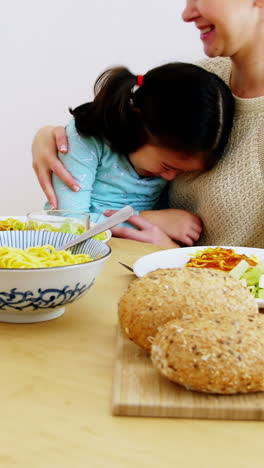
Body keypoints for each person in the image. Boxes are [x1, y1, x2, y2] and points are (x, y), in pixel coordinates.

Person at [32, 0, 264, 248]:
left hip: (201, 278)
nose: (186, 14)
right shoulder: (198, 84)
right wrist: (47, 137)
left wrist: (169, 250)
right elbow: (68, 218)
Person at [35, 62, 234, 247]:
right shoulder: (86, 139)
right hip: (69, 253)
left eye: (181, 173)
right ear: (137, 124)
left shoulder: (163, 158)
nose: (171, 178)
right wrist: (149, 220)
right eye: (167, 166)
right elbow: (67, 222)